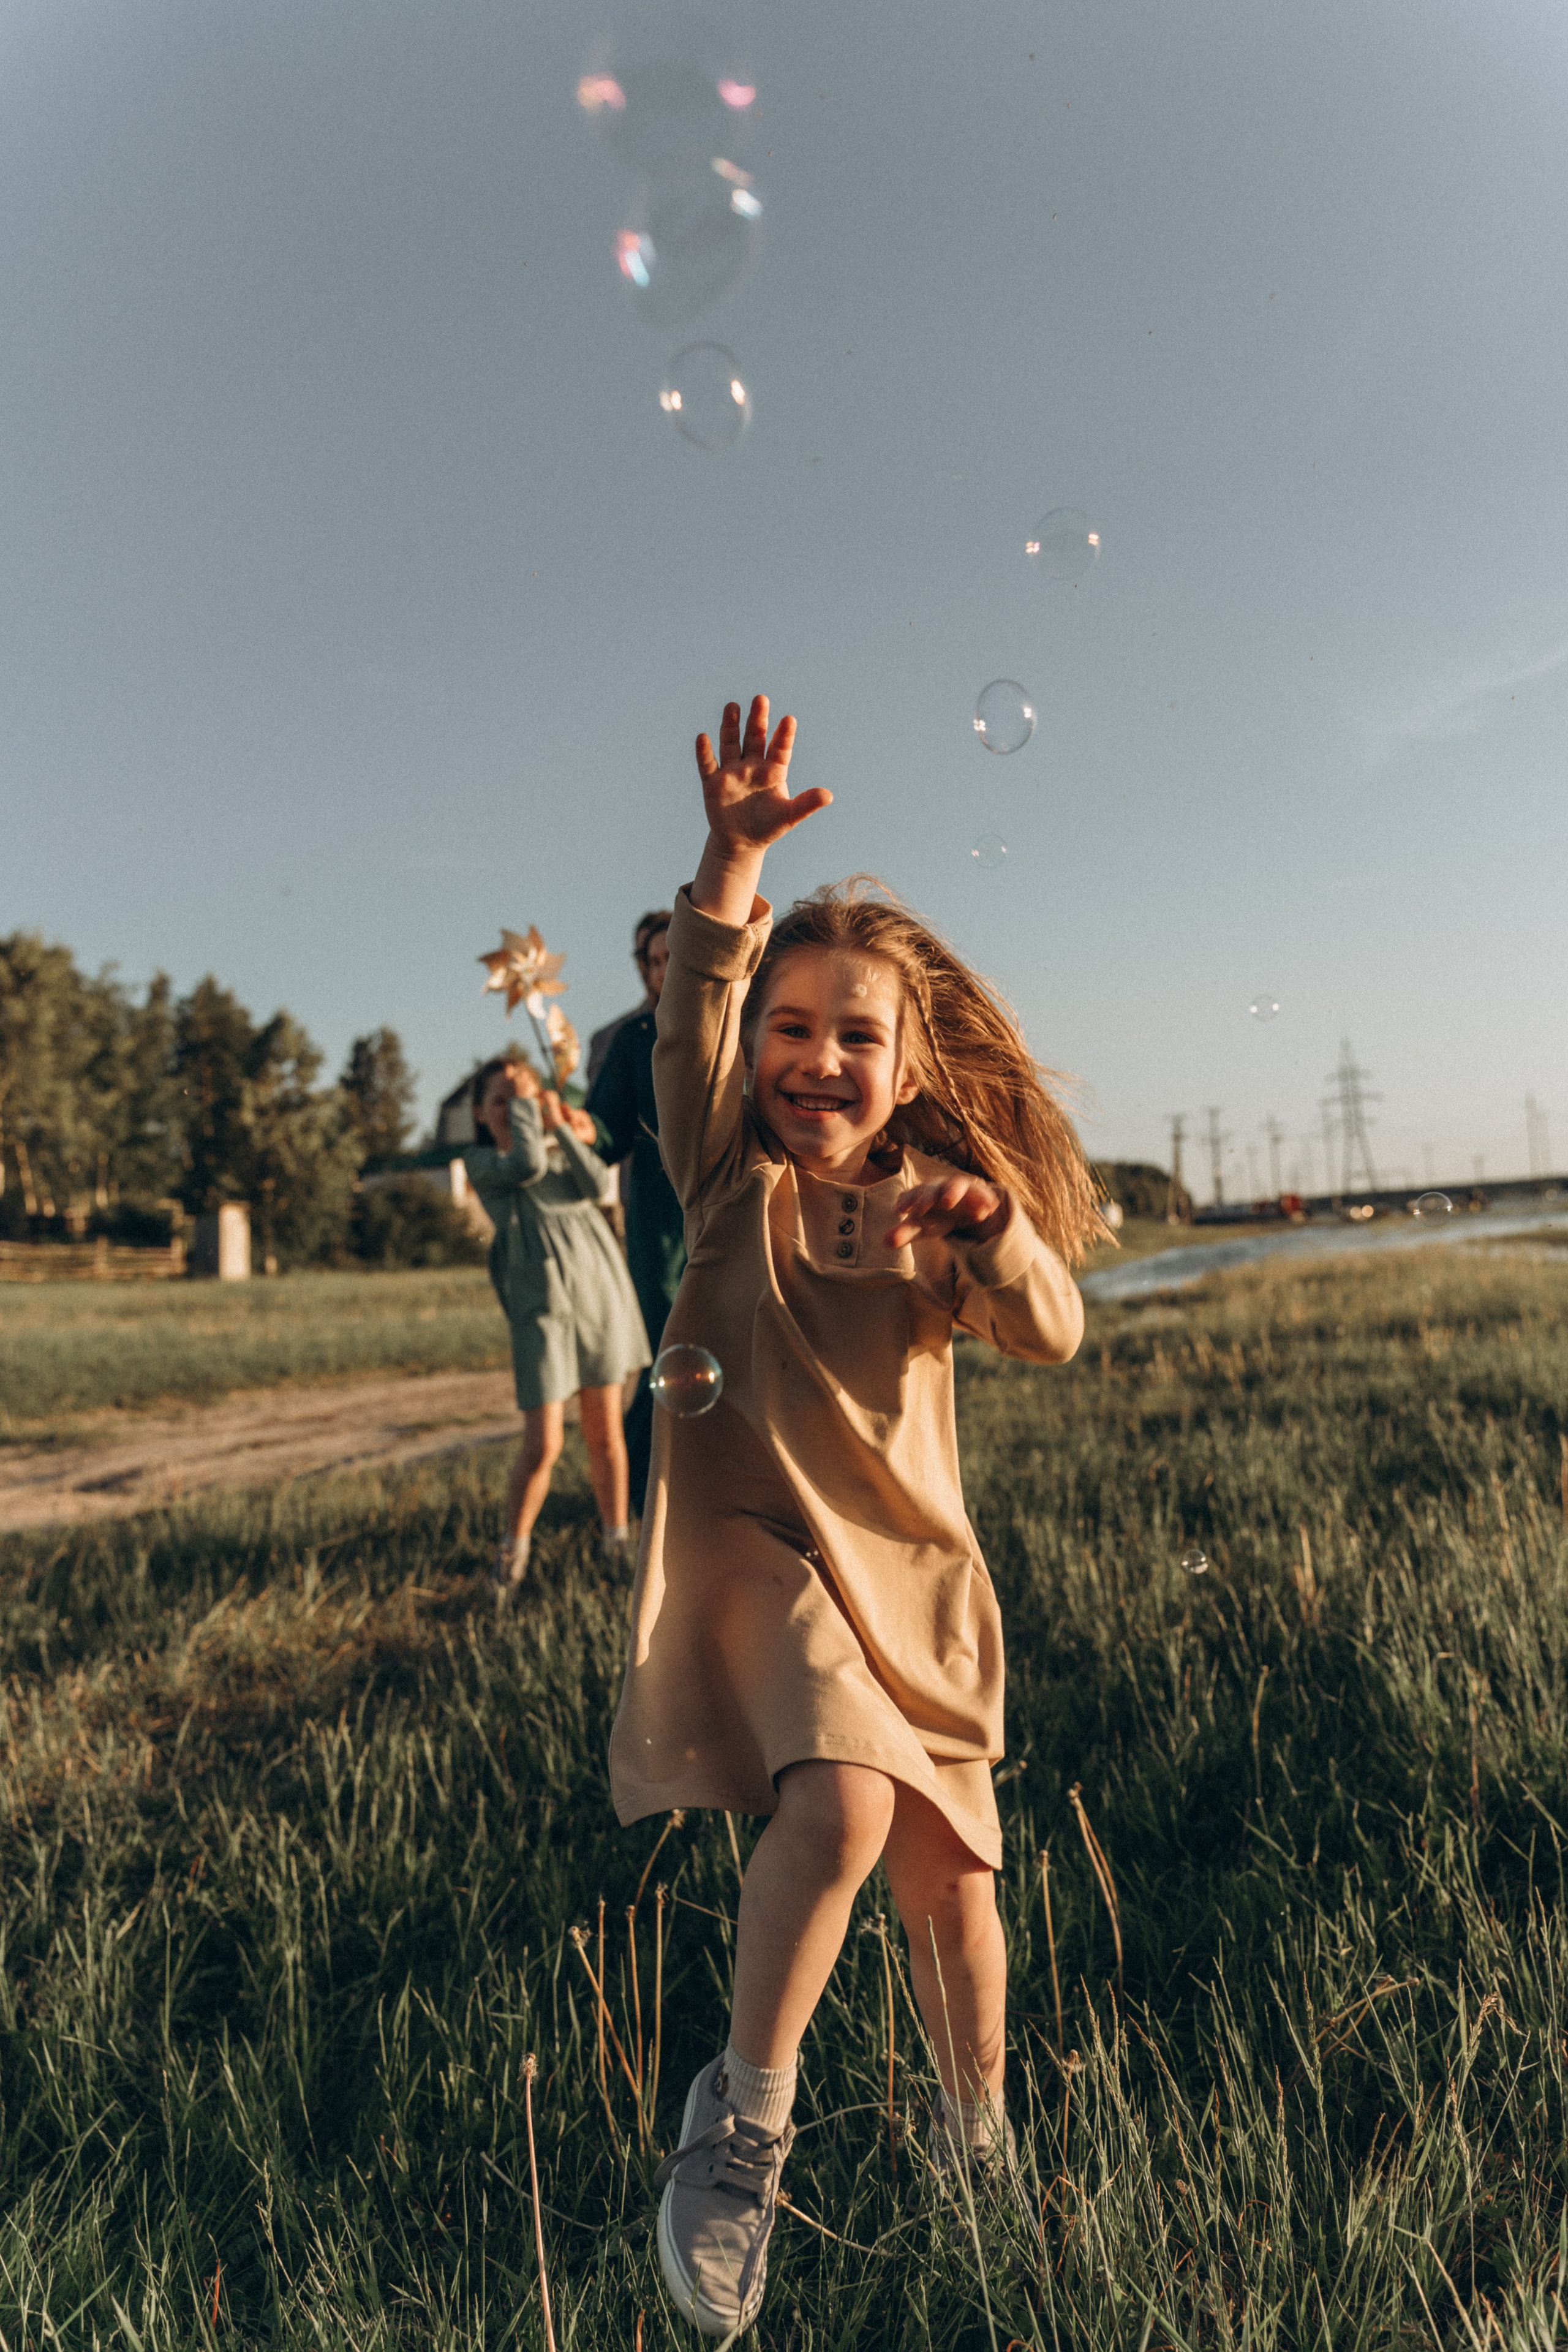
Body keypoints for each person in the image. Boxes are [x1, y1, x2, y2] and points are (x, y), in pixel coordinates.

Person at [609, 696, 1107, 2337]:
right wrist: (730, 866)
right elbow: (692, 1016)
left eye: (857, 1036)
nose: (816, 1057)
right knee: (832, 1811)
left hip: (921, 1589)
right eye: (789, 1027)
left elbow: (1050, 1328)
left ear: (909, 1069)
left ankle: (975, 2152)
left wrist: (993, 1229)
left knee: (956, 1890)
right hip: (763, 1563)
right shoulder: (720, 1173)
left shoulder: (929, 1210)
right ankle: (742, 2129)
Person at [465, 1054, 650, 1593]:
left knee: (605, 1432)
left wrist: (564, 1126)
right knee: (544, 1442)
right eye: (501, 1100)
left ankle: (616, 1542)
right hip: (541, 1309)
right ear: (480, 1111)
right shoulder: (485, 1164)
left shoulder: (553, 1150)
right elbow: (524, 1165)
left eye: (523, 1097)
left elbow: (596, 1182)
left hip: (597, 1299)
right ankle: (512, 1554)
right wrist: (530, 1110)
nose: (514, 1108)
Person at [585, 910, 686, 1507]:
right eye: (655, 959)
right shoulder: (631, 1040)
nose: (666, 968)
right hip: (658, 1217)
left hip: (732, 1206)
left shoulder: (744, 1023)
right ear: (644, 969)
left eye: (677, 954)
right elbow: (607, 1134)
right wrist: (577, 1123)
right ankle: (635, 1493)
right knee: (671, 1352)